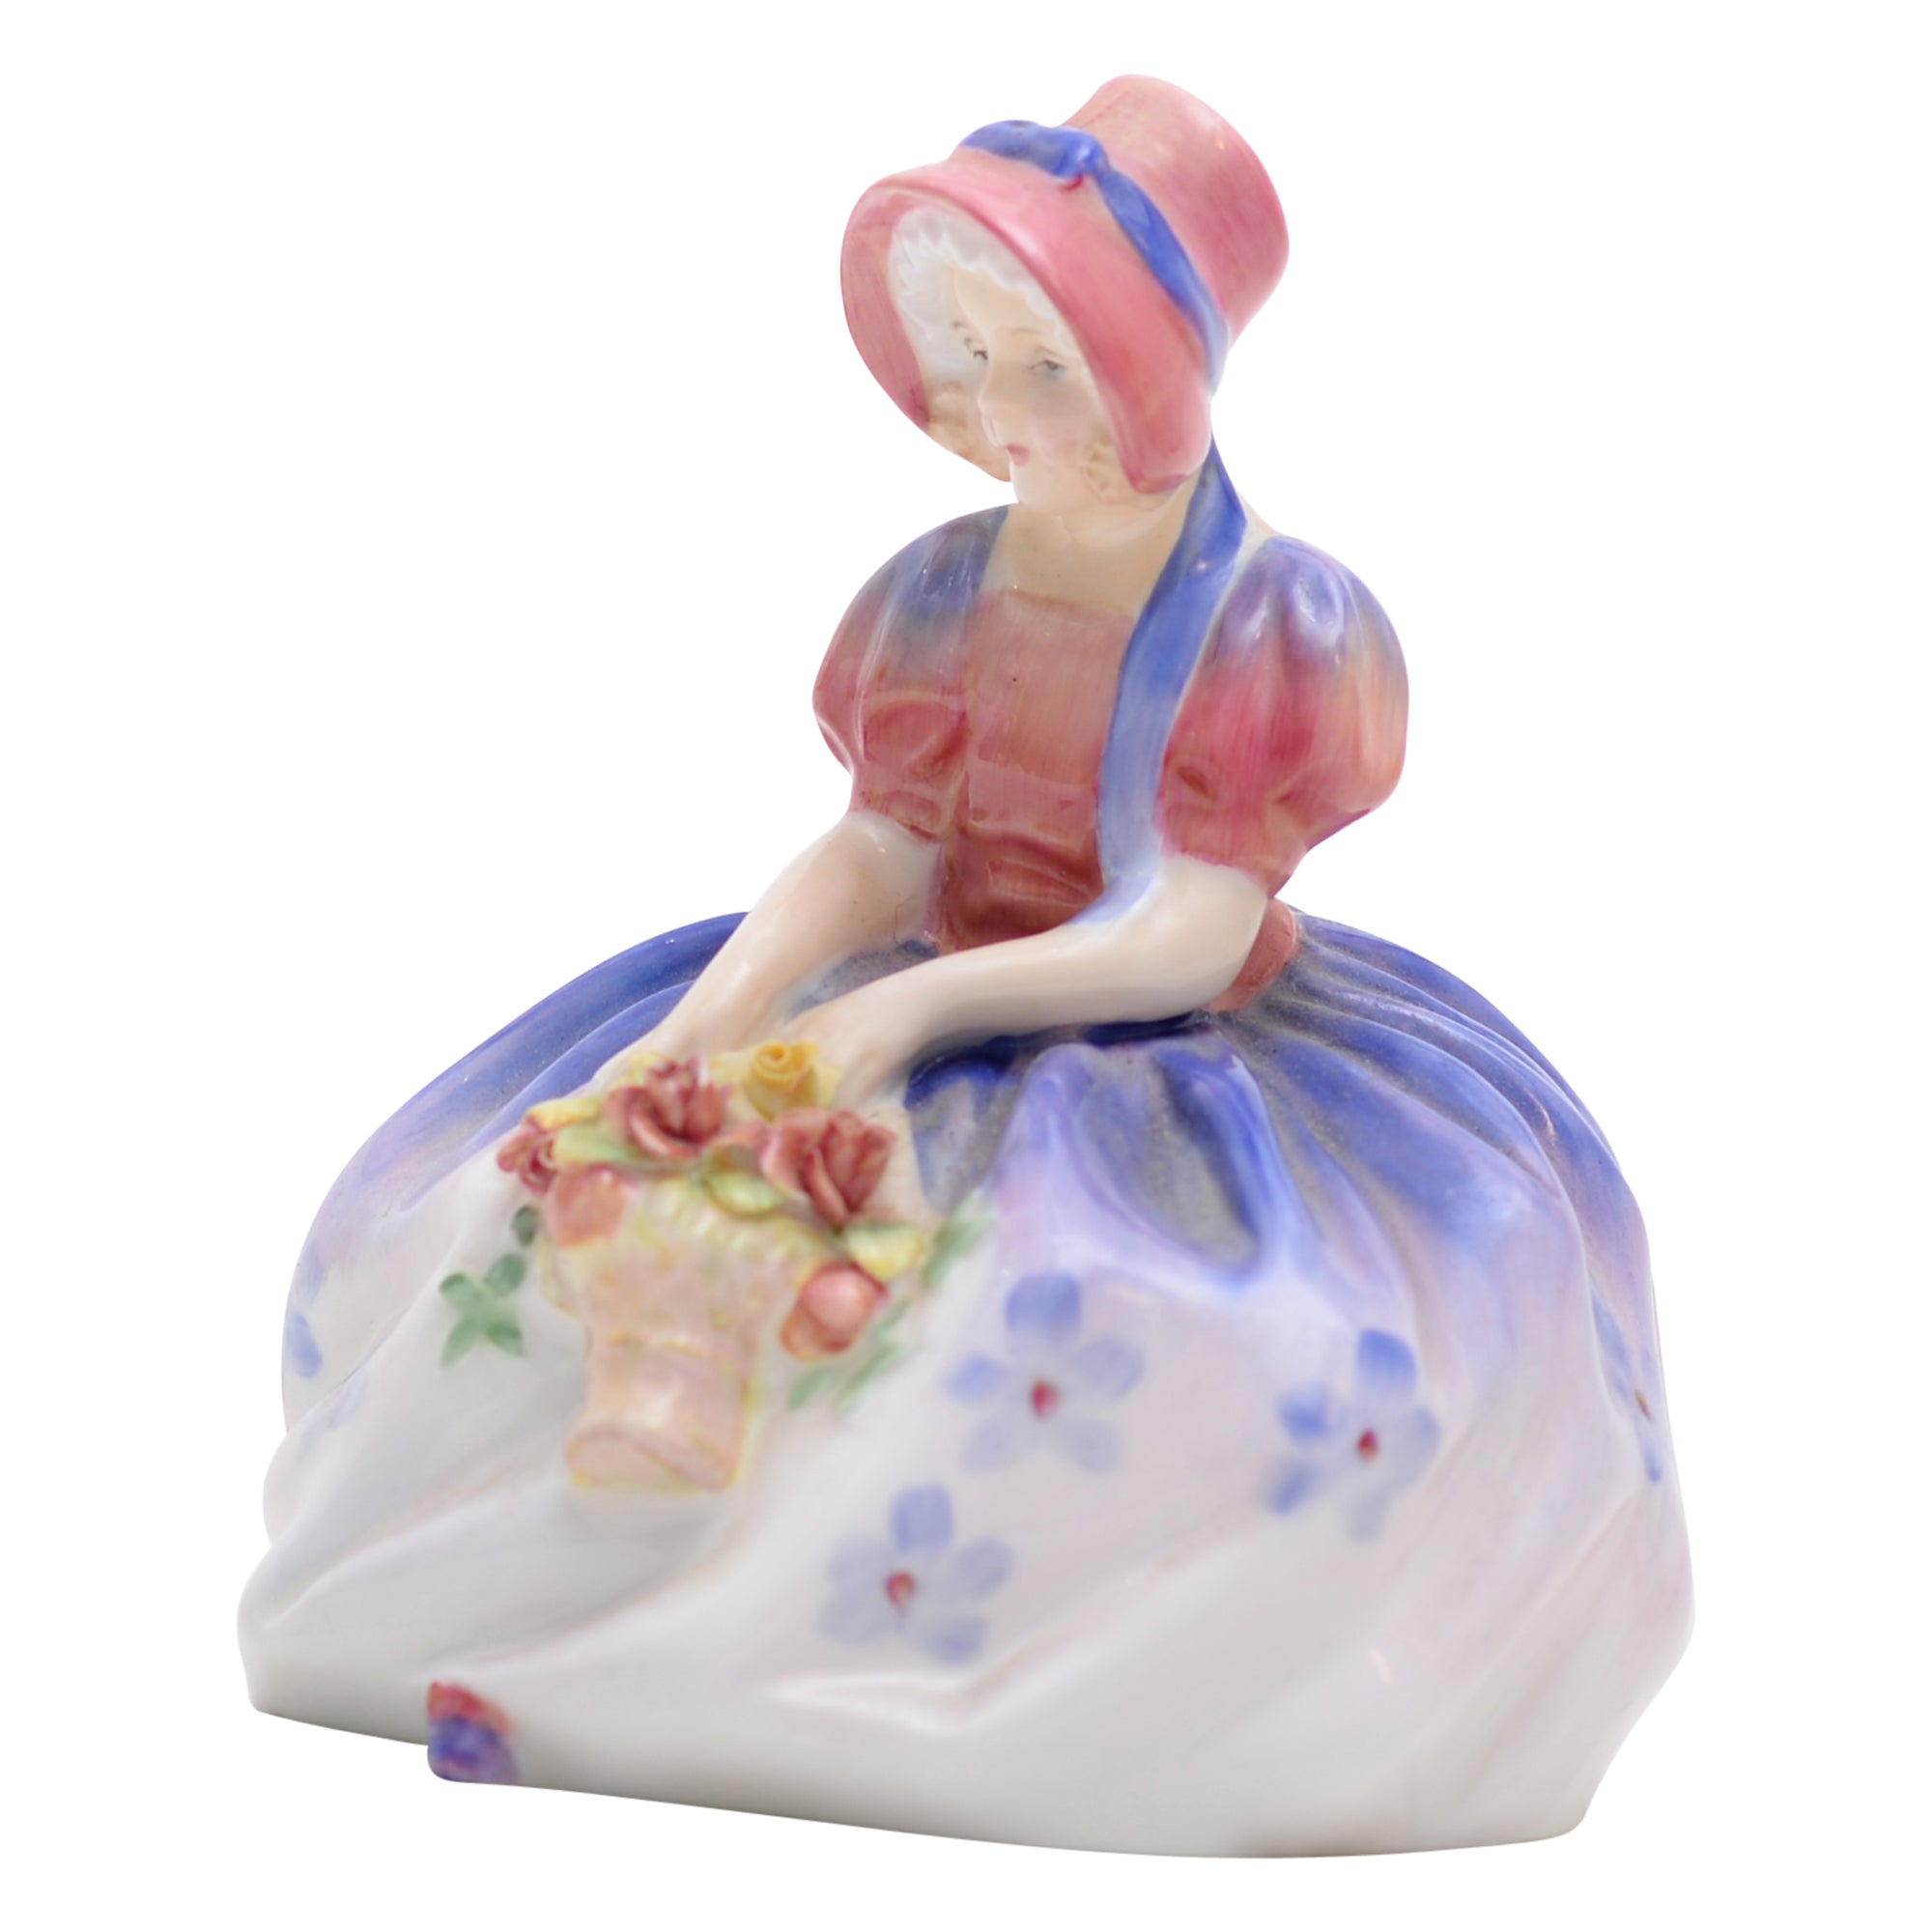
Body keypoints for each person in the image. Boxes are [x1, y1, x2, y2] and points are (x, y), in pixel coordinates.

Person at [242, 77, 1690, 1856]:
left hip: (1157, 1054)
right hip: (902, 993)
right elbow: (883, 847)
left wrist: (911, 1011)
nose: (1004, 413)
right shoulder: (938, 590)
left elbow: (1185, 927)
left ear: (1164, 376)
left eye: (1052, 367)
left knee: (1136, 1345)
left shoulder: (1275, 625)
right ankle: (503, 1615)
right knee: (514, 1206)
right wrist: (719, 1014)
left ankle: (836, 1690)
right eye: (983, 359)